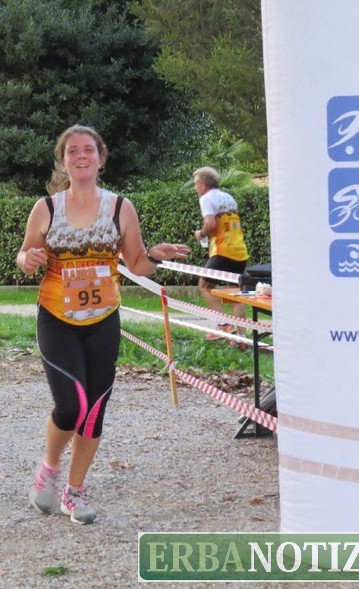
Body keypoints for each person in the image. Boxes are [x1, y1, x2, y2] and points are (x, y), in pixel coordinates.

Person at [17, 124, 189, 524]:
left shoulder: (120, 208)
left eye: (89, 150)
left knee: (94, 410)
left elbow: (137, 264)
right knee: (71, 405)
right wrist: (28, 259)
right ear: (63, 162)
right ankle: (49, 466)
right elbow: (25, 256)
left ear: (101, 158)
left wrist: (156, 255)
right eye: (73, 151)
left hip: (103, 319)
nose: (81, 156)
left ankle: (74, 492)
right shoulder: (46, 208)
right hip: (57, 318)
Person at [192, 166, 250, 342]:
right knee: (235, 294)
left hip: (223, 251)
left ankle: (223, 324)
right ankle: (242, 338)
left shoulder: (206, 198)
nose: (195, 188)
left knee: (204, 286)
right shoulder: (228, 197)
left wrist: (201, 234)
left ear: (203, 185)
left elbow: (210, 224)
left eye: (196, 184)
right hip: (239, 250)